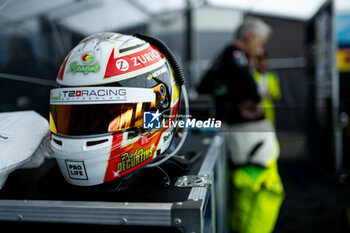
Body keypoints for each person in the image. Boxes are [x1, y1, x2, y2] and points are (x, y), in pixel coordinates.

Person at [198, 17, 284, 233]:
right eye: (261, 43)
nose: (260, 49)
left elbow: (205, 86)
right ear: (250, 36)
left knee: (244, 194)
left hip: (241, 137)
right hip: (248, 139)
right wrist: (248, 99)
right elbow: (250, 90)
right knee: (264, 191)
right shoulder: (234, 55)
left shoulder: (225, 57)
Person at [252, 52, 281, 126]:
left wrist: (268, 95)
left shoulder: (272, 76)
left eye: (265, 60)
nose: (264, 63)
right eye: (261, 60)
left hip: (268, 110)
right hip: (255, 109)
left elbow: (277, 94)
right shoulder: (253, 75)